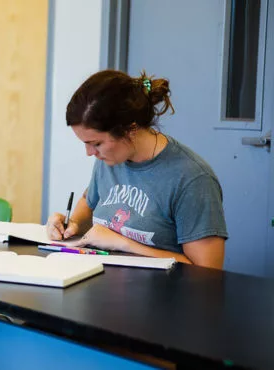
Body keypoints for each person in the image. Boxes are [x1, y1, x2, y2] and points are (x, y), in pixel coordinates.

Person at [46, 70, 227, 269]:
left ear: (130, 129)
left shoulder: (192, 178)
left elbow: (208, 271)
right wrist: (72, 224)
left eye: (96, 143)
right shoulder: (109, 160)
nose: (89, 153)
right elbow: (88, 202)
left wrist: (124, 244)